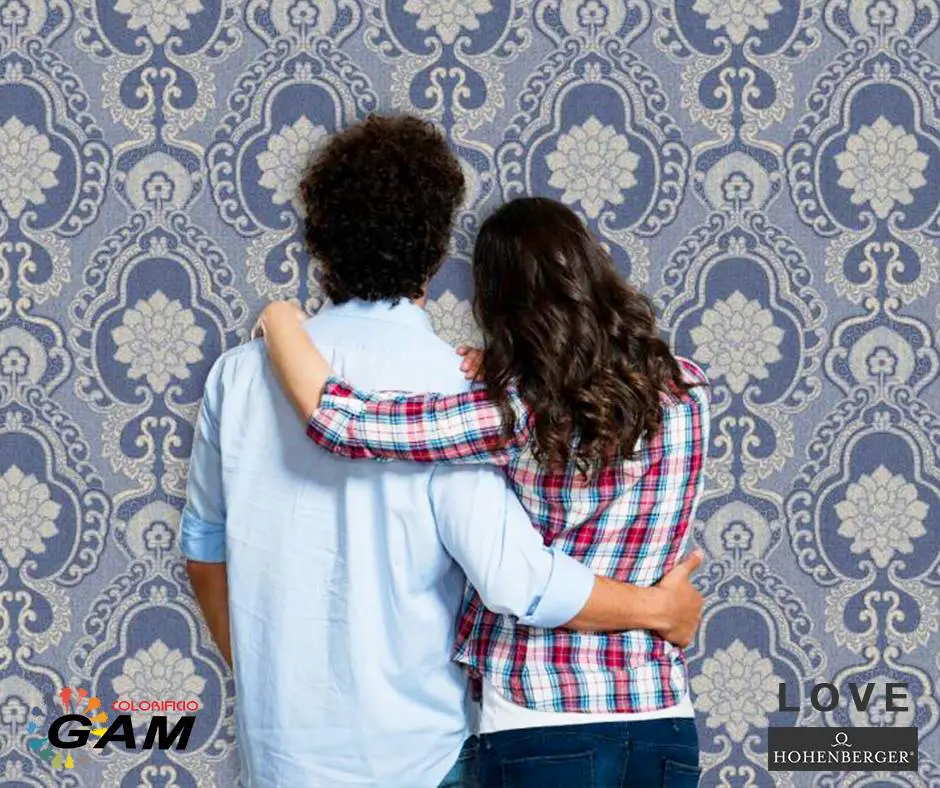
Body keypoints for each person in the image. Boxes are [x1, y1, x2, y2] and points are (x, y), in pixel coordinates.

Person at [181, 115, 705, 788]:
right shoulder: (463, 385)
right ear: (436, 253)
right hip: (425, 758)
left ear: (318, 239)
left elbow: (205, 551)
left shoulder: (235, 377)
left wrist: (262, 680)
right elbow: (516, 577)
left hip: (279, 756)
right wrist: (657, 608)